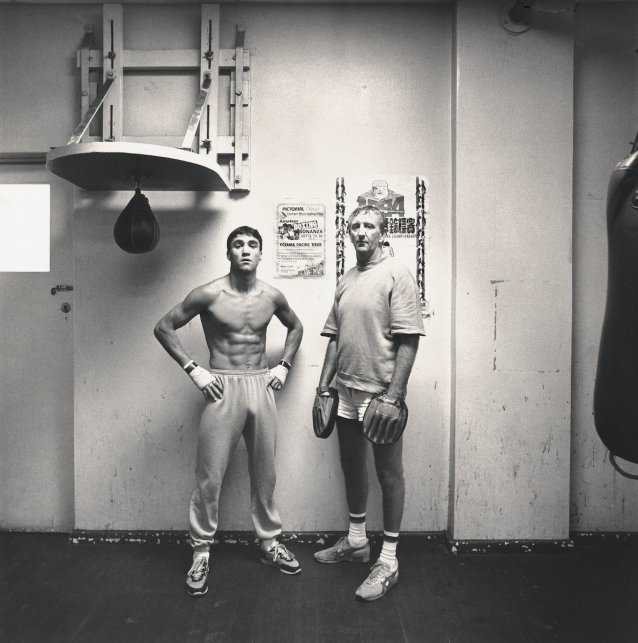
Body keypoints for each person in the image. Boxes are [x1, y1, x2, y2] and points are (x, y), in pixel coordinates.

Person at [154, 225, 304, 597]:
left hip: (260, 384)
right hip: (221, 385)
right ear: (228, 253)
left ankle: (269, 545)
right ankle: (201, 552)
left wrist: (283, 365)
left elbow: (296, 327)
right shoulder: (209, 293)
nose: (246, 250)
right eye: (238, 245)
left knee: (265, 473)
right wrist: (195, 370)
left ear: (261, 253)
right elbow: (164, 327)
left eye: (253, 244)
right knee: (210, 477)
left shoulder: (272, 295)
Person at [314, 205, 424, 601]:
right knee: (351, 464)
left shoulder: (396, 273)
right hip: (345, 389)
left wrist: (394, 398)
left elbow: (409, 338)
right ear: (348, 232)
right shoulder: (347, 279)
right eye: (355, 226)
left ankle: (389, 559)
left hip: (380, 394)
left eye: (369, 226)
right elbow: (334, 336)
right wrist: (322, 387)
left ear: (382, 233)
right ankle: (357, 543)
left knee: (388, 474)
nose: (361, 232)